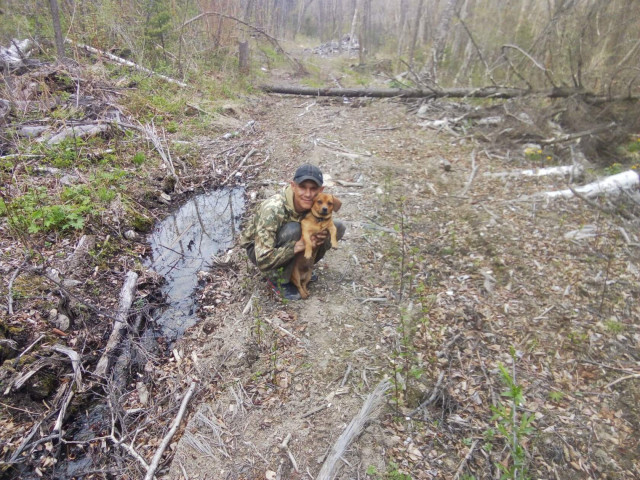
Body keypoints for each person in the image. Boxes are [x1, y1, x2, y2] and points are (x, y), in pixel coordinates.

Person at [240, 164, 346, 300]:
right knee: (295, 229)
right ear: (293, 186)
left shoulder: (316, 203)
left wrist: (319, 236)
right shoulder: (273, 209)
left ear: (321, 190)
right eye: (302, 187)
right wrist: (299, 246)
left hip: (288, 242)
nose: (308, 194)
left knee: (337, 227)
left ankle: (302, 269)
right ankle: (278, 279)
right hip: (259, 250)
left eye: (313, 189)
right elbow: (263, 259)